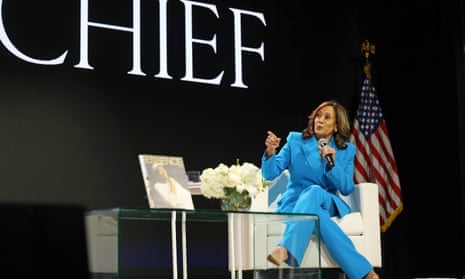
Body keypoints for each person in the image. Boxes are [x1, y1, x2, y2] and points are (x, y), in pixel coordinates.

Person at [261, 100, 379, 279]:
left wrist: (333, 164)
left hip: (326, 200)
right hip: (295, 203)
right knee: (319, 218)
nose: (320, 120)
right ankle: (365, 272)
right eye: (318, 115)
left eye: (327, 117)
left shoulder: (346, 150)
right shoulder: (295, 140)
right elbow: (270, 174)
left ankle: (286, 247)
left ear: (336, 126)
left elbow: (346, 188)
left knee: (314, 191)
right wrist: (270, 152)